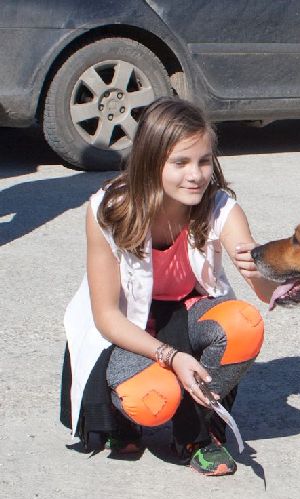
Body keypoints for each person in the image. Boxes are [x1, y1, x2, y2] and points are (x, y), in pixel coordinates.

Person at [60, 97, 277, 476]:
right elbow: (107, 317)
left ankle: (200, 432)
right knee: (153, 399)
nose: (195, 175)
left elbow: (262, 293)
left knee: (245, 322)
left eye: (204, 161)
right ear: (150, 162)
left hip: (188, 314)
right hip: (129, 326)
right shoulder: (107, 210)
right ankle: (119, 414)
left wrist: (258, 268)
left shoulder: (219, 206)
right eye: (180, 163)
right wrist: (171, 357)